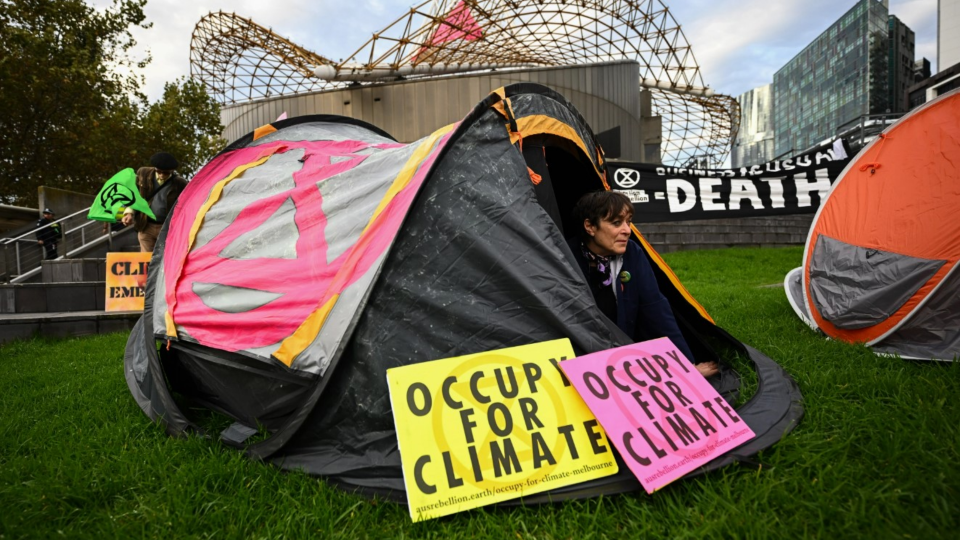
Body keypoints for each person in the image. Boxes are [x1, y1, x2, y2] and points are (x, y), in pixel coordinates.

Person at [569, 191, 718, 377]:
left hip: (622, 354)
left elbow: (655, 308)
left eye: (628, 222)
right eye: (616, 223)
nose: (627, 230)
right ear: (590, 227)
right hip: (579, 359)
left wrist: (685, 366)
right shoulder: (564, 256)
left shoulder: (632, 252)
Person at [121, 152, 187, 253]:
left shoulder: (180, 183)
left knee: (164, 260)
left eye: (165, 173)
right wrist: (129, 212)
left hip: (167, 228)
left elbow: (186, 206)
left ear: (172, 171)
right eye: (158, 171)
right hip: (146, 225)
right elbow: (133, 193)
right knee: (146, 261)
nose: (161, 175)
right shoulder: (143, 173)